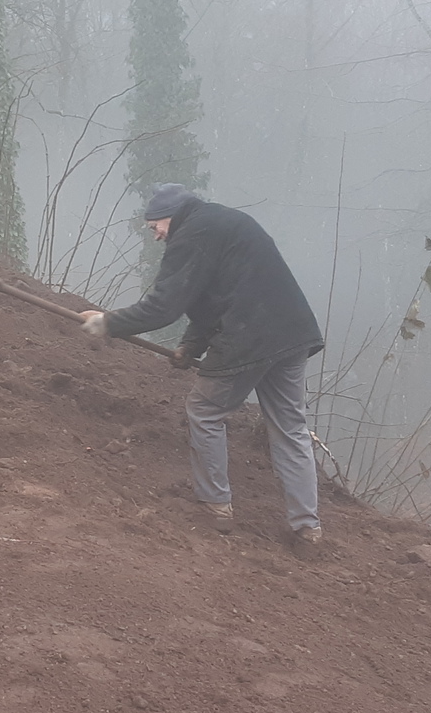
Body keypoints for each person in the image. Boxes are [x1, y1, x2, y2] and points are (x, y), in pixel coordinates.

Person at [79, 183, 328, 551]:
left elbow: (164, 306)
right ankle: (307, 528)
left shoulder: (190, 236)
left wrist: (107, 323)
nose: (156, 235)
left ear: (170, 216)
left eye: (155, 226)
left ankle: (215, 507)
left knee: (205, 410)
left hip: (250, 334)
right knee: (290, 428)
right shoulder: (222, 222)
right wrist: (192, 345)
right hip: (292, 332)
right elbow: (217, 292)